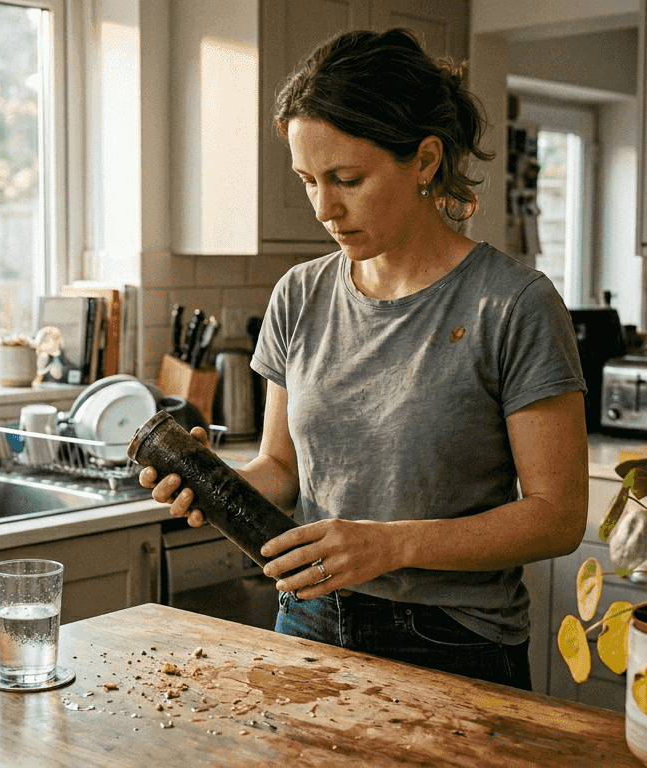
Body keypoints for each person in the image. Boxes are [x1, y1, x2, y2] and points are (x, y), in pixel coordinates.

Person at [140, 28, 589, 691]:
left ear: (426, 160)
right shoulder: (300, 294)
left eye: (347, 179)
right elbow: (281, 468)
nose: (325, 208)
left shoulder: (513, 303)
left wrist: (391, 544)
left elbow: (557, 516)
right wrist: (215, 483)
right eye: (308, 181)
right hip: (308, 618)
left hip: (455, 641)